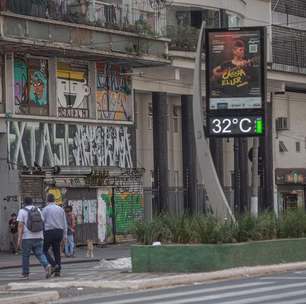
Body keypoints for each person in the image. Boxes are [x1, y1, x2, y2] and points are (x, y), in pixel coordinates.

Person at [17, 197, 52, 279]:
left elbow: (20, 226)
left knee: (25, 255)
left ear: (24, 203)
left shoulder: (22, 211)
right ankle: (47, 265)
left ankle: (25, 274)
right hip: (39, 236)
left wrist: (19, 239)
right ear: (32, 202)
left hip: (27, 237)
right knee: (40, 254)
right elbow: (42, 221)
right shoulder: (38, 210)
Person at [43, 193, 67, 277]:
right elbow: (64, 223)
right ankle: (58, 271)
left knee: (44, 250)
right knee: (57, 251)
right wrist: (65, 235)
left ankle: (53, 265)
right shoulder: (60, 209)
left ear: (47, 200)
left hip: (49, 232)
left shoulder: (45, 209)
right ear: (54, 200)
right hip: (59, 232)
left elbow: (43, 222)